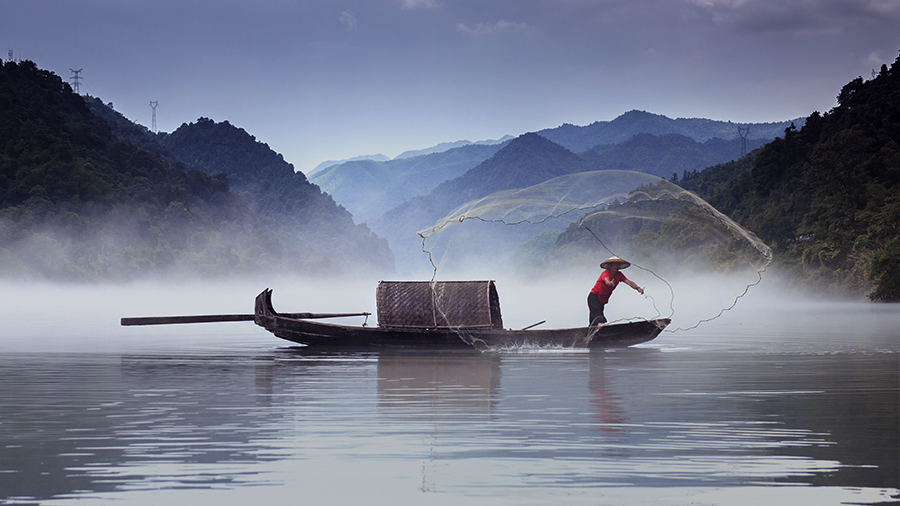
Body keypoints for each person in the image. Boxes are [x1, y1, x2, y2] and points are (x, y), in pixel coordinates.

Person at [588, 256, 644, 326]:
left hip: (602, 300)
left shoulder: (619, 275)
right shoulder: (606, 273)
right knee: (599, 318)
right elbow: (606, 280)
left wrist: (638, 288)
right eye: (614, 265)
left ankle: (591, 332)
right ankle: (602, 329)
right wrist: (610, 283)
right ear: (610, 266)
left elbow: (629, 282)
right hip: (594, 297)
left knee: (594, 320)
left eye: (617, 265)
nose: (615, 266)